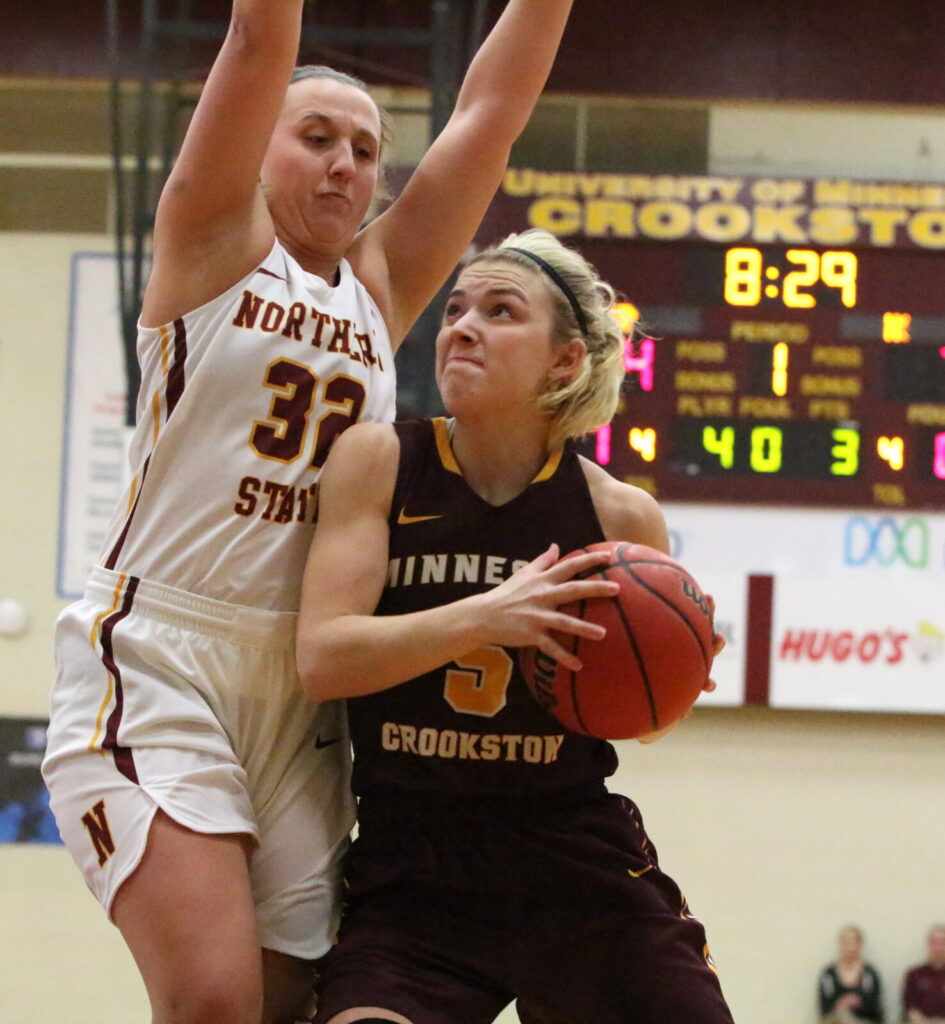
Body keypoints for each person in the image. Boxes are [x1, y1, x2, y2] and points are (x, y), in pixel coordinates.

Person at [40, 2, 575, 1021]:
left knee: (290, 1006)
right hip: (160, 656)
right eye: (317, 137)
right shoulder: (211, 239)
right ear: (258, 150)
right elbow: (258, 40)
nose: (344, 165)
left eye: (366, 151)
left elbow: (490, 115)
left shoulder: (380, 284)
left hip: (302, 690)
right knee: (213, 1000)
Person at [294, 228, 734, 1024]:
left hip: (572, 864)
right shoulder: (380, 461)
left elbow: (639, 725)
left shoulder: (618, 514)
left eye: (499, 311)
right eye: (455, 310)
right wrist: (486, 617)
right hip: (413, 871)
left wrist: (673, 684)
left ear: (564, 360)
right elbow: (323, 658)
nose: (462, 327)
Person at [817, 925, 884, 1023]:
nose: (851, 948)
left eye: (854, 942)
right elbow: (825, 1007)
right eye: (846, 942)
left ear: (860, 945)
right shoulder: (828, 974)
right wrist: (841, 1003)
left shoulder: (869, 973)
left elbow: (875, 1007)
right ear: (840, 945)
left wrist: (858, 1002)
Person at [902, 925, 945, 1023]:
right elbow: (910, 1007)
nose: (938, 947)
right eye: (934, 943)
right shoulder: (914, 974)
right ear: (928, 946)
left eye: (942, 943)